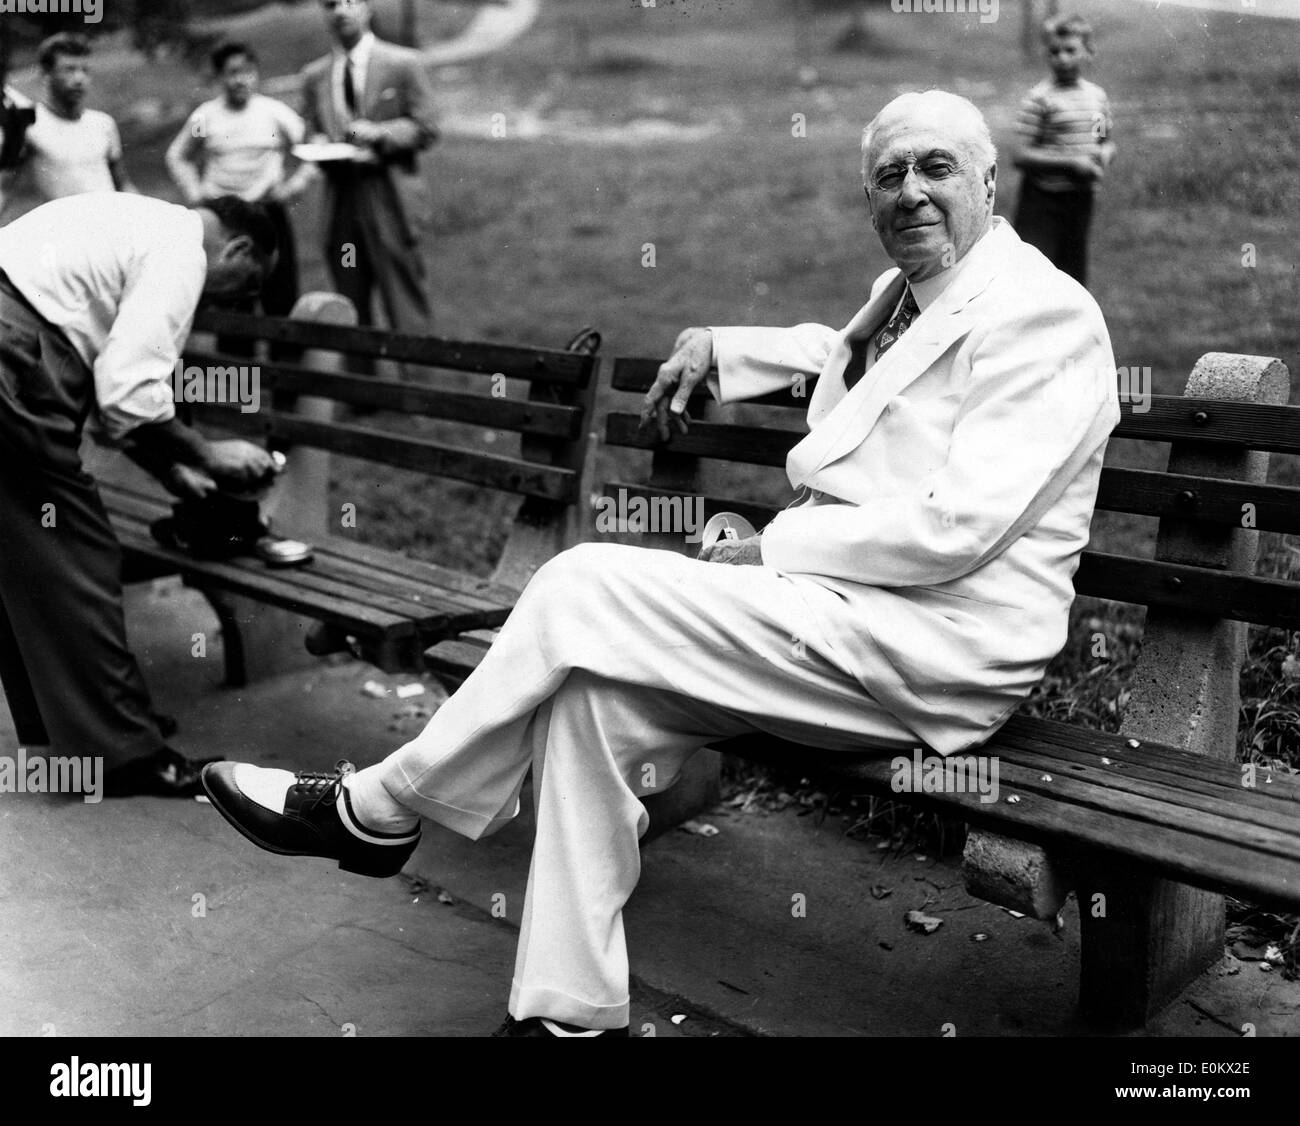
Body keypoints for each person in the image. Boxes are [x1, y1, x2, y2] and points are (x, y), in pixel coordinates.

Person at [201, 91, 1121, 1036]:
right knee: (592, 703)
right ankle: (568, 1013)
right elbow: (860, 358)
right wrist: (727, 346)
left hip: (943, 648)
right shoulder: (914, 291)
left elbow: (959, 528)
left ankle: (379, 804)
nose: (911, 194)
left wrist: (773, 546)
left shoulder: (1044, 315)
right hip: (847, 618)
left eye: (935, 168)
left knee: (579, 581)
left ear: (988, 181)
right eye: (889, 177)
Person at [0, 192, 279, 798]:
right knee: (80, 555)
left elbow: (110, 402)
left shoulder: (139, 220)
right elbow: (128, 392)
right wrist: (209, 453)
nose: (231, 299)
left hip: (16, 353)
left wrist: (173, 473)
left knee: (24, 554)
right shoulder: (182, 249)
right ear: (238, 248)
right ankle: (125, 755)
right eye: (245, 282)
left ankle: (69, 735)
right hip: (14, 362)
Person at [299, 0, 438, 339]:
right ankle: (358, 388)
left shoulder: (403, 63)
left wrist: (381, 133)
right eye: (331, 4)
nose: (341, 11)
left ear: (367, 8)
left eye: (350, 2)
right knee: (349, 303)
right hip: (342, 200)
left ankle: (416, 387)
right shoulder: (315, 75)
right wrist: (318, 143)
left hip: (388, 195)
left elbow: (427, 126)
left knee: (404, 304)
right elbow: (311, 129)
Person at [166, 41, 315, 347]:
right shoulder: (205, 118)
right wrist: (195, 193)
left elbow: (312, 148)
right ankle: (237, 384)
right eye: (232, 73)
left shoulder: (274, 113)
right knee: (232, 300)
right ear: (220, 78)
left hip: (267, 212)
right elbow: (178, 155)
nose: (240, 80)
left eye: (247, 72)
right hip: (226, 221)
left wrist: (293, 187)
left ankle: (285, 381)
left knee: (279, 296)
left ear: (256, 74)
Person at [1011, 12, 1115, 286]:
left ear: (1089, 52)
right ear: (1046, 54)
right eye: (1055, 51)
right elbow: (1021, 155)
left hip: (1079, 198)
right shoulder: (1040, 98)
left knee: (1072, 275)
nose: (1063, 58)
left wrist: (1105, 154)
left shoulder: (1097, 97)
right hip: (1042, 200)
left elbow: (1104, 140)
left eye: (1071, 50)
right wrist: (1070, 163)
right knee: (1035, 273)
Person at [0, 32, 135, 226]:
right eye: (69, 69)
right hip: (67, 239)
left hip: (113, 233)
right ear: (46, 74)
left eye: (84, 70)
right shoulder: (27, 124)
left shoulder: (103, 123)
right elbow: (4, 188)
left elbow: (122, 184)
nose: (79, 78)